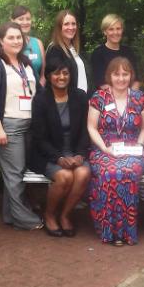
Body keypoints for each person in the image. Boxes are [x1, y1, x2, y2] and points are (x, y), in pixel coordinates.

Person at [0, 22, 44, 231]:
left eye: (19, 37)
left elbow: (38, 93)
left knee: (15, 172)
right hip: (8, 124)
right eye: (11, 37)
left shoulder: (25, 63)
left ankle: (10, 215)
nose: (16, 41)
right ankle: (22, 218)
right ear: (1, 41)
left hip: (28, 124)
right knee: (15, 173)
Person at [86, 57, 144, 245]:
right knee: (109, 173)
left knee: (126, 171)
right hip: (104, 148)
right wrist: (105, 148)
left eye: (125, 74)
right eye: (116, 74)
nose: (121, 78)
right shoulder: (99, 98)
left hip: (133, 149)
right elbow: (91, 128)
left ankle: (126, 232)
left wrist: (137, 147)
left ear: (131, 76)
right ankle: (109, 231)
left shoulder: (139, 98)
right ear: (109, 76)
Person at [29, 57, 92, 237]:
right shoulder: (41, 100)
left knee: (83, 173)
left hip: (74, 150)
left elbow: (85, 131)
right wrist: (58, 158)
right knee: (64, 176)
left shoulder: (79, 97)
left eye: (65, 73)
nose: (62, 77)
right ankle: (49, 215)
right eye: (57, 73)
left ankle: (65, 215)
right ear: (49, 76)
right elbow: (39, 138)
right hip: (46, 153)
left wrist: (80, 154)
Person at [90, 14, 140, 90]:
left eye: (118, 29)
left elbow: (136, 80)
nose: (115, 32)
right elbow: (102, 84)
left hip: (130, 98)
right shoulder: (98, 54)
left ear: (122, 30)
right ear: (105, 32)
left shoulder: (129, 52)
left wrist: (131, 98)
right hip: (107, 99)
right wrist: (120, 98)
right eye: (111, 29)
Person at [45, 10, 89, 92]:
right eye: (66, 24)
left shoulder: (75, 49)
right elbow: (58, 81)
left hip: (82, 100)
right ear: (59, 27)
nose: (71, 27)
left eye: (73, 24)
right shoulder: (54, 50)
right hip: (66, 102)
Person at [12, 5, 47, 82]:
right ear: (12, 21)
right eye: (21, 19)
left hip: (38, 91)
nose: (25, 22)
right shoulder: (9, 44)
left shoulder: (38, 43)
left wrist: (40, 88)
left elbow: (43, 74)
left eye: (28, 19)